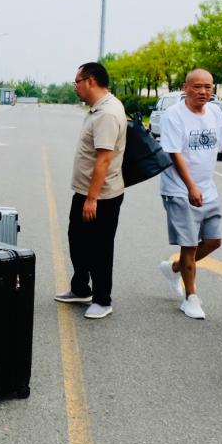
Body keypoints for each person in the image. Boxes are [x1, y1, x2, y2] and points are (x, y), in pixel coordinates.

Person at [156, 68, 222, 320]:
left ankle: (174, 268)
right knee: (190, 245)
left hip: (207, 188)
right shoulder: (173, 115)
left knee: (214, 241)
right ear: (185, 87)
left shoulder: (215, 111)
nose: (203, 92)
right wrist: (191, 186)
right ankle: (190, 297)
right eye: (197, 87)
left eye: (208, 87)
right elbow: (174, 153)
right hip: (180, 189)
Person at [53, 62, 127, 319]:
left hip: (101, 196)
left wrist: (92, 199)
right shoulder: (99, 108)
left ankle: (102, 300)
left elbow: (104, 159)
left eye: (77, 81)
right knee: (77, 240)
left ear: (91, 81)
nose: (75, 87)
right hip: (87, 192)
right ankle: (80, 288)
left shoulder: (107, 113)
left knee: (100, 247)